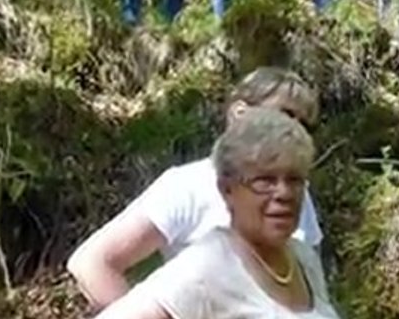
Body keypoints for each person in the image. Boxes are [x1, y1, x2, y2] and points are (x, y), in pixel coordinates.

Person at [68, 67, 323, 312]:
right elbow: (93, 262)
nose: (296, 129)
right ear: (240, 113)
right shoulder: (189, 185)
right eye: (286, 114)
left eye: (305, 124)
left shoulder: (296, 195)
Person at [94, 108, 338, 319]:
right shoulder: (208, 265)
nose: (284, 193)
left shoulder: (304, 259)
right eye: (264, 180)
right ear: (227, 190)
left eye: (294, 180)